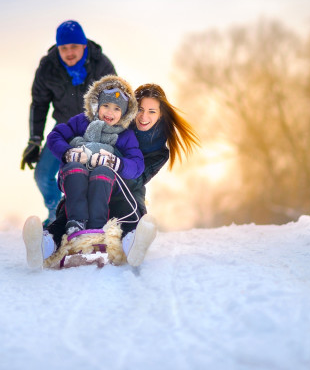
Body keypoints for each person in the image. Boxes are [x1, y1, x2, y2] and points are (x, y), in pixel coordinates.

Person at [23, 82, 200, 268]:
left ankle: (134, 245)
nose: (144, 116)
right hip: (89, 180)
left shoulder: (157, 150)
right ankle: (44, 245)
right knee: (69, 212)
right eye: (140, 109)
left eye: (152, 111)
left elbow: (137, 177)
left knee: (127, 216)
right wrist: (71, 153)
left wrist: (114, 162)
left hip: (124, 190)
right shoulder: (118, 122)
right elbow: (60, 135)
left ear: (161, 114)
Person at [20, 20, 116, 225]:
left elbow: (115, 101)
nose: (69, 52)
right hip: (64, 129)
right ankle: (58, 213)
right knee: (42, 175)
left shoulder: (101, 64)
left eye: (74, 47)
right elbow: (39, 104)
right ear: (58, 48)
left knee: (87, 176)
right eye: (64, 48)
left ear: (83, 45)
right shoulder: (48, 67)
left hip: (94, 130)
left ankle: (93, 219)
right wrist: (34, 140)